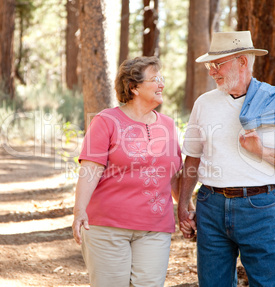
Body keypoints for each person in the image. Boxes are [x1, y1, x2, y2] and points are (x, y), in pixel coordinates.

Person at [178, 31, 275, 286]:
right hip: (210, 205)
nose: (212, 71)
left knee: (268, 283)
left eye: (218, 64)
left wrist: (261, 151)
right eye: (210, 65)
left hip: (259, 207)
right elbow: (192, 158)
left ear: (242, 61)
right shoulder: (204, 103)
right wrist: (184, 205)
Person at [72, 56, 191, 287]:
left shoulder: (168, 125)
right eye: (155, 79)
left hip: (155, 228)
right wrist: (79, 211)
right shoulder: (106, 121)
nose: (161, 84)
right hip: (107, 226)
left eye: (162, 78)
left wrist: (186, 209)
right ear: (133, 87)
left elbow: (173, 176)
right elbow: (90, 170)